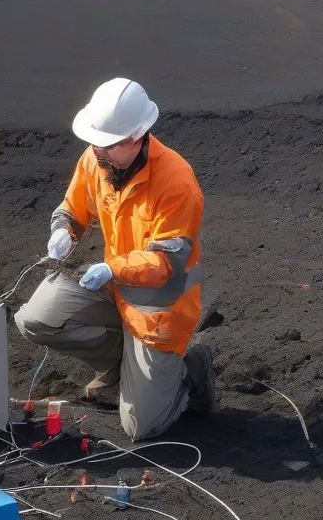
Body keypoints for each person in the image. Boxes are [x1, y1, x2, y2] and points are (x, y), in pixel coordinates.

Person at [14, 78, 216, 442]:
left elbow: (165, 263)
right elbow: (73, 208)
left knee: (142, 427)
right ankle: (121, 365)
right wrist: (64, 230)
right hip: (115, 289)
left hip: (157, 313)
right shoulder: (98, 159)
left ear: (136, 138)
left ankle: (190, 370)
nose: (96, 150)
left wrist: (112, 268)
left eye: (106, 144)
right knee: (36, 319)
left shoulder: (177, 184)